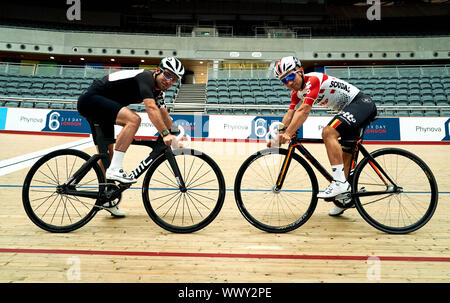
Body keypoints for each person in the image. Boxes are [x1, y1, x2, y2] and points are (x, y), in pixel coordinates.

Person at [268, 56, 377, 216]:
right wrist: (281, 133)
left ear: (300, 71)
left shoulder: (313, 80)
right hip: (350, 110)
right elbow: (290, 114)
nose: (289, 83)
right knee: (344, 158)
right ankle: (344, 198)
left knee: (328, 132)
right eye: (284, 81)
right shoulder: (296, 94)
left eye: (291, 76)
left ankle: (339, 184)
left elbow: (304, 110)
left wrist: (289, 134)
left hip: (361, 104)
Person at [77, 57, 185, 217]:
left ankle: (106, 198)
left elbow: (165, 117)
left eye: (174, 80)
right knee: (134, 119)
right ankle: (115, 170)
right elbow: (151, 109)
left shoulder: (159, 93)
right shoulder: (146, 78)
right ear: (158, 71)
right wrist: (164, 134)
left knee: (106, 155)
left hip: (101, 105)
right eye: (168, 75)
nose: (170, 81)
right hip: (92, 100)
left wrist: (175, 134)